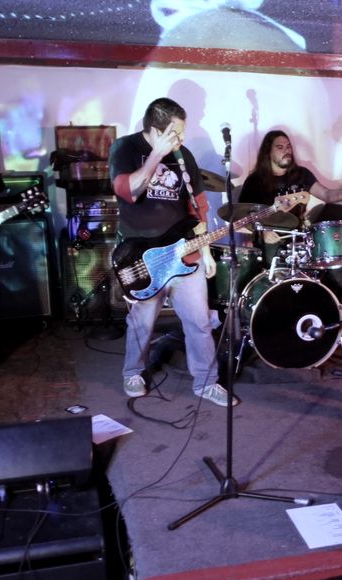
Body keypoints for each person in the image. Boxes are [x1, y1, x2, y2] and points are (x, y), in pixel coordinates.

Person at [110, 97, 234, 407]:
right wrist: (155, 156)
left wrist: (206, 252)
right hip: (143, 256)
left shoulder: (184, 155)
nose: (181, 139)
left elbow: (198, 207)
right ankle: (133, 372)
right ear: (156, 130)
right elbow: (129, 192)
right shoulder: (125, 148)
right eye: (175, 134)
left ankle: (206, 382)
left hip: (183, 251)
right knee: (142, 321)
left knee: (199, 322)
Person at [238, 130, 342, 264]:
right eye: (280, 147)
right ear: (268, 152)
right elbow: (243, 214)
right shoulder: (255, 180)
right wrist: (263, 232)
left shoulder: (302, 174)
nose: (286, 150)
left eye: (288, 147)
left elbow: (326, 194)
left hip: (298, 236)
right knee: (272, 256)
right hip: (269, 238)